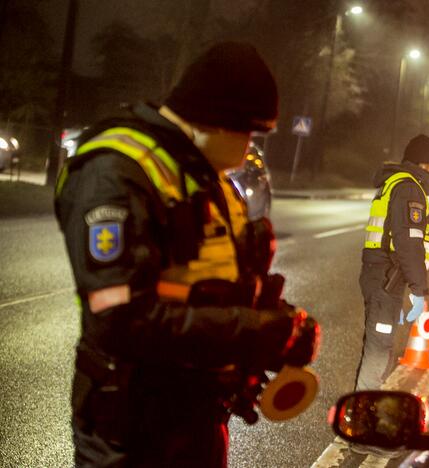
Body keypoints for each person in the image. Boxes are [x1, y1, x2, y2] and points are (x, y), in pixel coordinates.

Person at [54, 42, 320, 467]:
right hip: (130, 431)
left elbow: (210, 285)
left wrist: (281, 328)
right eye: (247, 131)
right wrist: (253, 331)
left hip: (194, 417)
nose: (248, 145)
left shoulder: (197, 172)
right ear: (213, 119)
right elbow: (120, 320)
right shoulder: (115, 174)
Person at [355, 134, 429, 390]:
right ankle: (363, 412)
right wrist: (419, 290)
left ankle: (363, 405)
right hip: (385, 278)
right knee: (379, 349)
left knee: (377, 343)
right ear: (425, 164)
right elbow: (409, 243)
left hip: (380, 275)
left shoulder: (399, 183)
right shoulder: (409, 188)